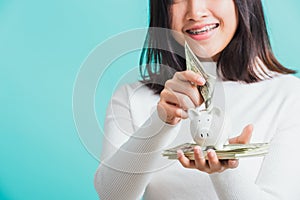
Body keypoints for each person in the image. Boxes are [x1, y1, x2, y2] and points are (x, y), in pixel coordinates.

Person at [94, 0, 300, 199]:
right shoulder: (132, 97)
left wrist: (224, 170)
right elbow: (112, 196)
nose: (196, 11)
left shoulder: (289, 95)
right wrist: (161, 121)